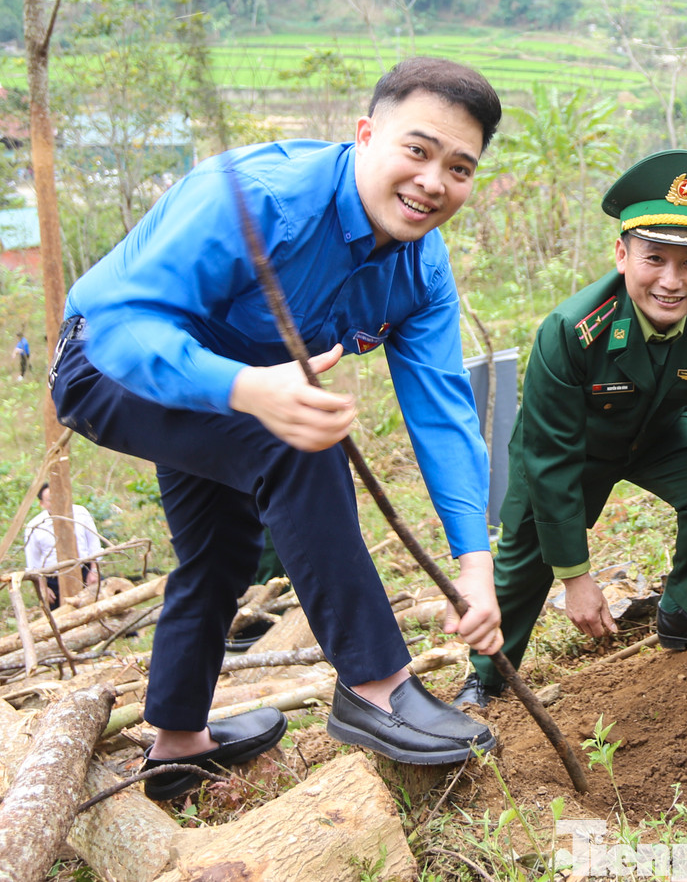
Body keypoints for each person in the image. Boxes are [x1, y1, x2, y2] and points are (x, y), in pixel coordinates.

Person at [48, 57, 506, 800]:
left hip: (242, 390)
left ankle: (176, 740)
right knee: (296, 442)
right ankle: (376, 686)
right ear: (366, 135)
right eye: (416, 151)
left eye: (460, 167)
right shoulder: (262, 198)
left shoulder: (421, 268)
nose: (432, 182)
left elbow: (443, 412)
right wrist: (247, 387)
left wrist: (474, 563)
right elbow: (116, 326)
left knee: (222, 554)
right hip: (110, 364)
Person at [454, 151, 687, 708]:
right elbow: (550, 459)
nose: (671, 282)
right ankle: (486, 677)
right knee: (527, 558)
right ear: (622, 254)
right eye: (654, 258)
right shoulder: (573, 330)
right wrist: (576, 576)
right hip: (571, 448)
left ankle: (686, 613)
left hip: (656, 433)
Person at [24, 482, 102, 609]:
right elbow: (33, 563)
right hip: (54, 580)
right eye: (50, 499)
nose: (56, 501)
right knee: (62, 619)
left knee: (105, 609)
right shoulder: (35, 527)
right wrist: (43, 588)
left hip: (85, 571)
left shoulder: (80, 513)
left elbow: (94, 545)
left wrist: (94, 571)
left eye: (58, 496)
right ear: (42, 504)